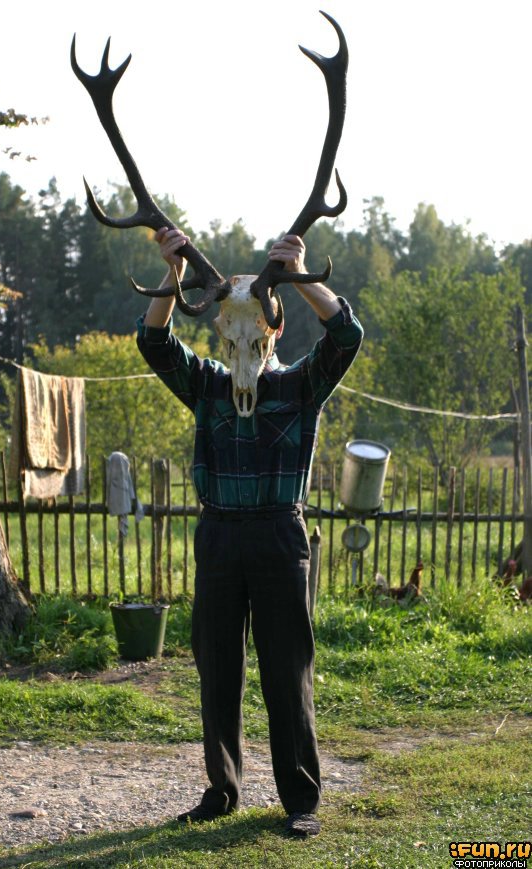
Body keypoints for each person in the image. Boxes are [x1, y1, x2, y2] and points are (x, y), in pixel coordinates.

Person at [136, 227, 363, 838]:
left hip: (278, 536)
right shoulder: (207, 385)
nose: (243, 340)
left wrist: (301, 274)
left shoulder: (300, 386)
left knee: (287, 670)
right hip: (218, 534)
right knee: (217, 667)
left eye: (257, 326)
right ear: (219, 331)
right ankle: (221, 791)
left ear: (275, 330)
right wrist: (172, 274)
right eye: (231, 329)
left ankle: (301, 801)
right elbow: (154, 342)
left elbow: (347, 336)